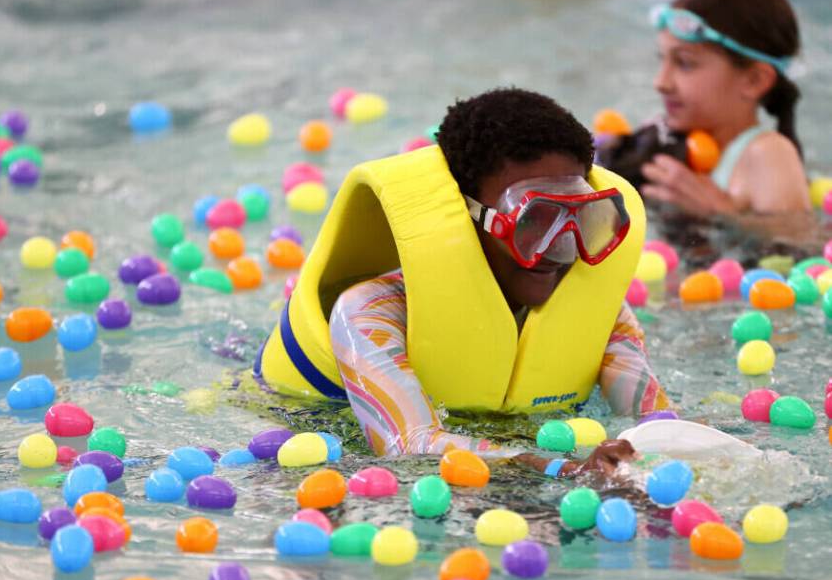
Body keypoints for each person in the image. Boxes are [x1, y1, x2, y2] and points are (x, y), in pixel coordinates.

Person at [254, 87, 677, 477]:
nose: (560, 249)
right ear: (462, 218)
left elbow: (657, 425)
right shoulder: (370, 312)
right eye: (534, 222)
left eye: (581, 219)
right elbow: (410, 445)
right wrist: (562, 470)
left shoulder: (601, 316)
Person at [599, 0, 810, 217]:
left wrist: (723, 212)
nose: (660, 82)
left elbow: (800, 241)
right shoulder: (666, 138)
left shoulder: (766, 153)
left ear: (754, 80)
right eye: (663, 59)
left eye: (685, 63)